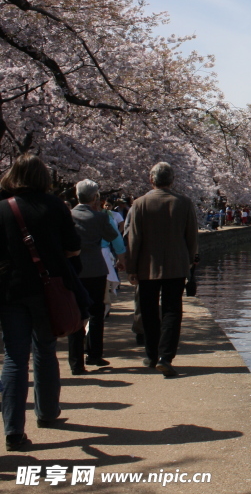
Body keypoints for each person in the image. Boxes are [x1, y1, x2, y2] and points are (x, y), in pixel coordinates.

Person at [0, 154, 83, 451]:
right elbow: (74, 248)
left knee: (14, 357)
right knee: (45, 350)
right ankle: (47, 412)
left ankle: (12, 430)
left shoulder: (3, 209)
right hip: (48, 290)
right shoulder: (56, 207)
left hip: (10, 291)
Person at [124, 162, 198, 378]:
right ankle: (166, 356)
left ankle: (152, 354)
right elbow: (192, 237)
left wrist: (131, 267)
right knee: (172, 311)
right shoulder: (184, 203)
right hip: (176, 265)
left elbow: (134, 238)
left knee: (148, 310)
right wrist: (191, 261)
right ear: (172, 180)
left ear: (151, 179)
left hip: (147, 266)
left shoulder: (139, 204)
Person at [68, 180, 120, 374]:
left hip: (75, 269)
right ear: (95, 197)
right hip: (96, 268)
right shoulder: (99, 217)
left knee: (76, 313)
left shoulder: (69, 216)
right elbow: (112, 235)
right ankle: (94, 354)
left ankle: (75, 361)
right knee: (96, 311)